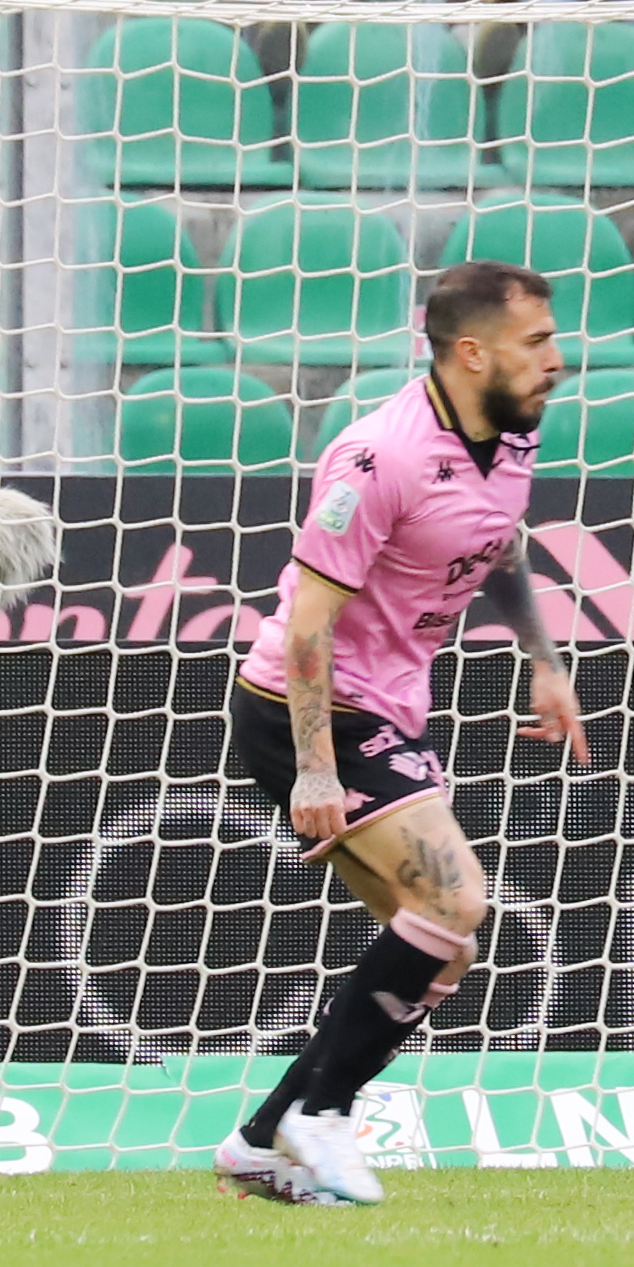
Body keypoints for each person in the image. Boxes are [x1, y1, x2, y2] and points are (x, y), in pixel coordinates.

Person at [212, 261, 586, 1207]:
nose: (557, 360)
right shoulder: (379, 457)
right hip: (308, 709)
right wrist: (310, 770)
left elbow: (497, 543)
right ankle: (324, 1116)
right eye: (536, 341)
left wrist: (542, 658)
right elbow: (307, 624)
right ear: (471, 351)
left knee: (441, 947)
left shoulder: (507, 439)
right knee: (459, 897)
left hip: (384, 708)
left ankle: (261, 1142)